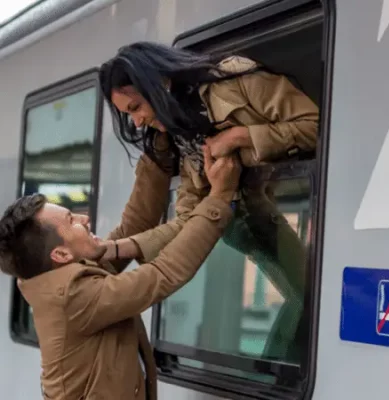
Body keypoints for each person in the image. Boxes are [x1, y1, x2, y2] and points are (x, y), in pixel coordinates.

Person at [99, 41, 319, 361]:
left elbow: (317, 127)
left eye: (134, 108)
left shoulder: (234, 80)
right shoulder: (179, 132)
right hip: (242, 230)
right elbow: (186, 220)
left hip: (261, 217)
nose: (136, 122)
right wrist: (111, 252)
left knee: (308, 299)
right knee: (305, 298)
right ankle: (270, 371)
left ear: (158, 83)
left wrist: (241, 136)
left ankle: (270, 372)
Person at [0, 147, 241, 400]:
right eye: (72, 221)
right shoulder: (74, 296)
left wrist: (157, 152)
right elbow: (163, 274)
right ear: (60, 255)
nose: (84, 219)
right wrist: (220, 198)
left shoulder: (64, 273)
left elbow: (132, 226)